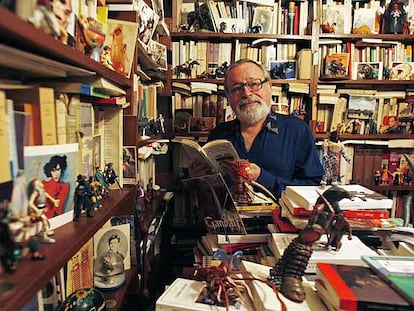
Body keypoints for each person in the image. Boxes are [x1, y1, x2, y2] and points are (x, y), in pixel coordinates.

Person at [207, 59, 323, 199]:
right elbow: (211, 192)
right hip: (227, 218)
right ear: (229, 97)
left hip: (277, 219)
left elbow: (311, 188)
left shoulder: (297, 131)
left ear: (269, 86)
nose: (246, 93)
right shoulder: (218, 134)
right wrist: (201, 179)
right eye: (237, 88)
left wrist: (262, 177)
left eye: (254, 84)